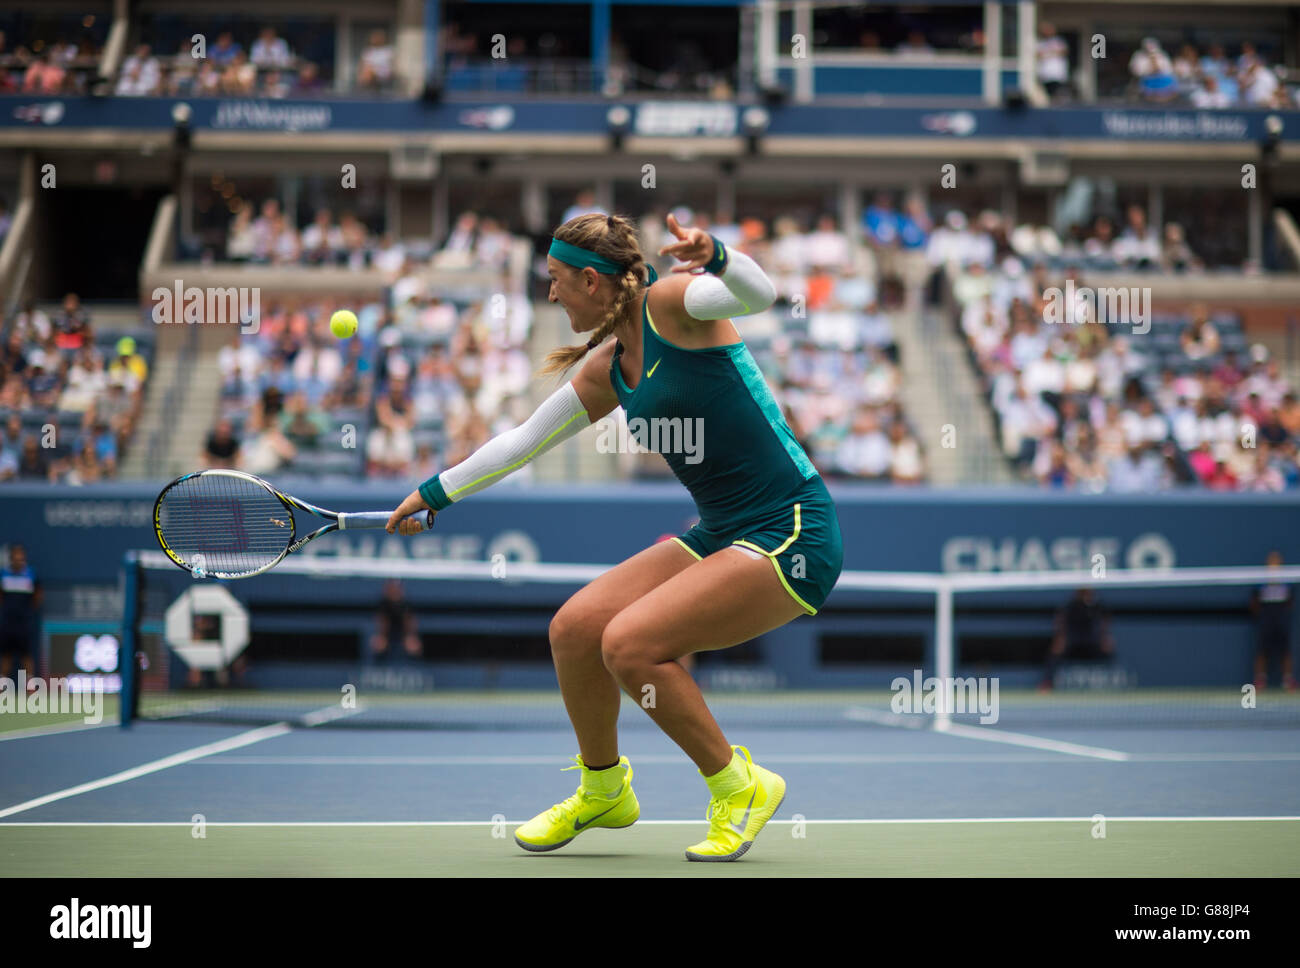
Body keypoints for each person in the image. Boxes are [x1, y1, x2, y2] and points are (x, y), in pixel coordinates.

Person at [386, 212, 842, 862]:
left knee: (630, 644)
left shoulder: (673, 305)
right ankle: (604, 789)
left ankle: (738, 785)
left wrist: (715, 255)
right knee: (575, 630)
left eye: (556, 280)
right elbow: (522, 443)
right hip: (721, 533)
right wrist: (434, 493)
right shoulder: (609, 367)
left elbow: (757, 294)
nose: (550, 293)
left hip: (792, 531)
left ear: (594, 283)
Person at [1041, 587, 1115, 690]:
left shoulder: (1097, 605)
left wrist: (1105, 636)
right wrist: (1061, 637)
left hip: (1091, 639)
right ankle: (1047, 683)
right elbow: (1060, 620)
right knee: (1056, 650)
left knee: (1108, 648)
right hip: (1072, 638)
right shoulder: (1070, 605)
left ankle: (1113, 682)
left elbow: (1105, 621)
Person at [1251, 551, 1296, 691]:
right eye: (1272, 561)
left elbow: (1290, 600)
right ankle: (1260, 680)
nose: (1274, 564)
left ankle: (1288, 680)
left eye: (1276, 561)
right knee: (1262, 650)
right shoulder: (1261, 580)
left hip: (1281, 618)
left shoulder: (1287, 579)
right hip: (1266, 618)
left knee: (1285, 650)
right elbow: (1255, 601)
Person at [0, 544, 41, 688]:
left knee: (27, 656)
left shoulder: (30, 575)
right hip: (7, 624)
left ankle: (30, 687)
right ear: (11, 559)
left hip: (24, 624)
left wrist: (28, 612)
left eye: (21, 558)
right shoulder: (3, 574)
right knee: (6, 656)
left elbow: (37, 596)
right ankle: (2, 686)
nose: (18, 560)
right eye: (16, 558)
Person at [370, 580, 422, 661]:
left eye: (396, 589)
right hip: (387, 633)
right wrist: (382, 636)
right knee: (379, 644)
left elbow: (410, 624)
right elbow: (381, 624)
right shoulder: (382, 605)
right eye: (391, 589)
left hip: (403, 632)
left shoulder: (406, 605)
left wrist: (410, 636)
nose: (394, 592)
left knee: (413, 645)